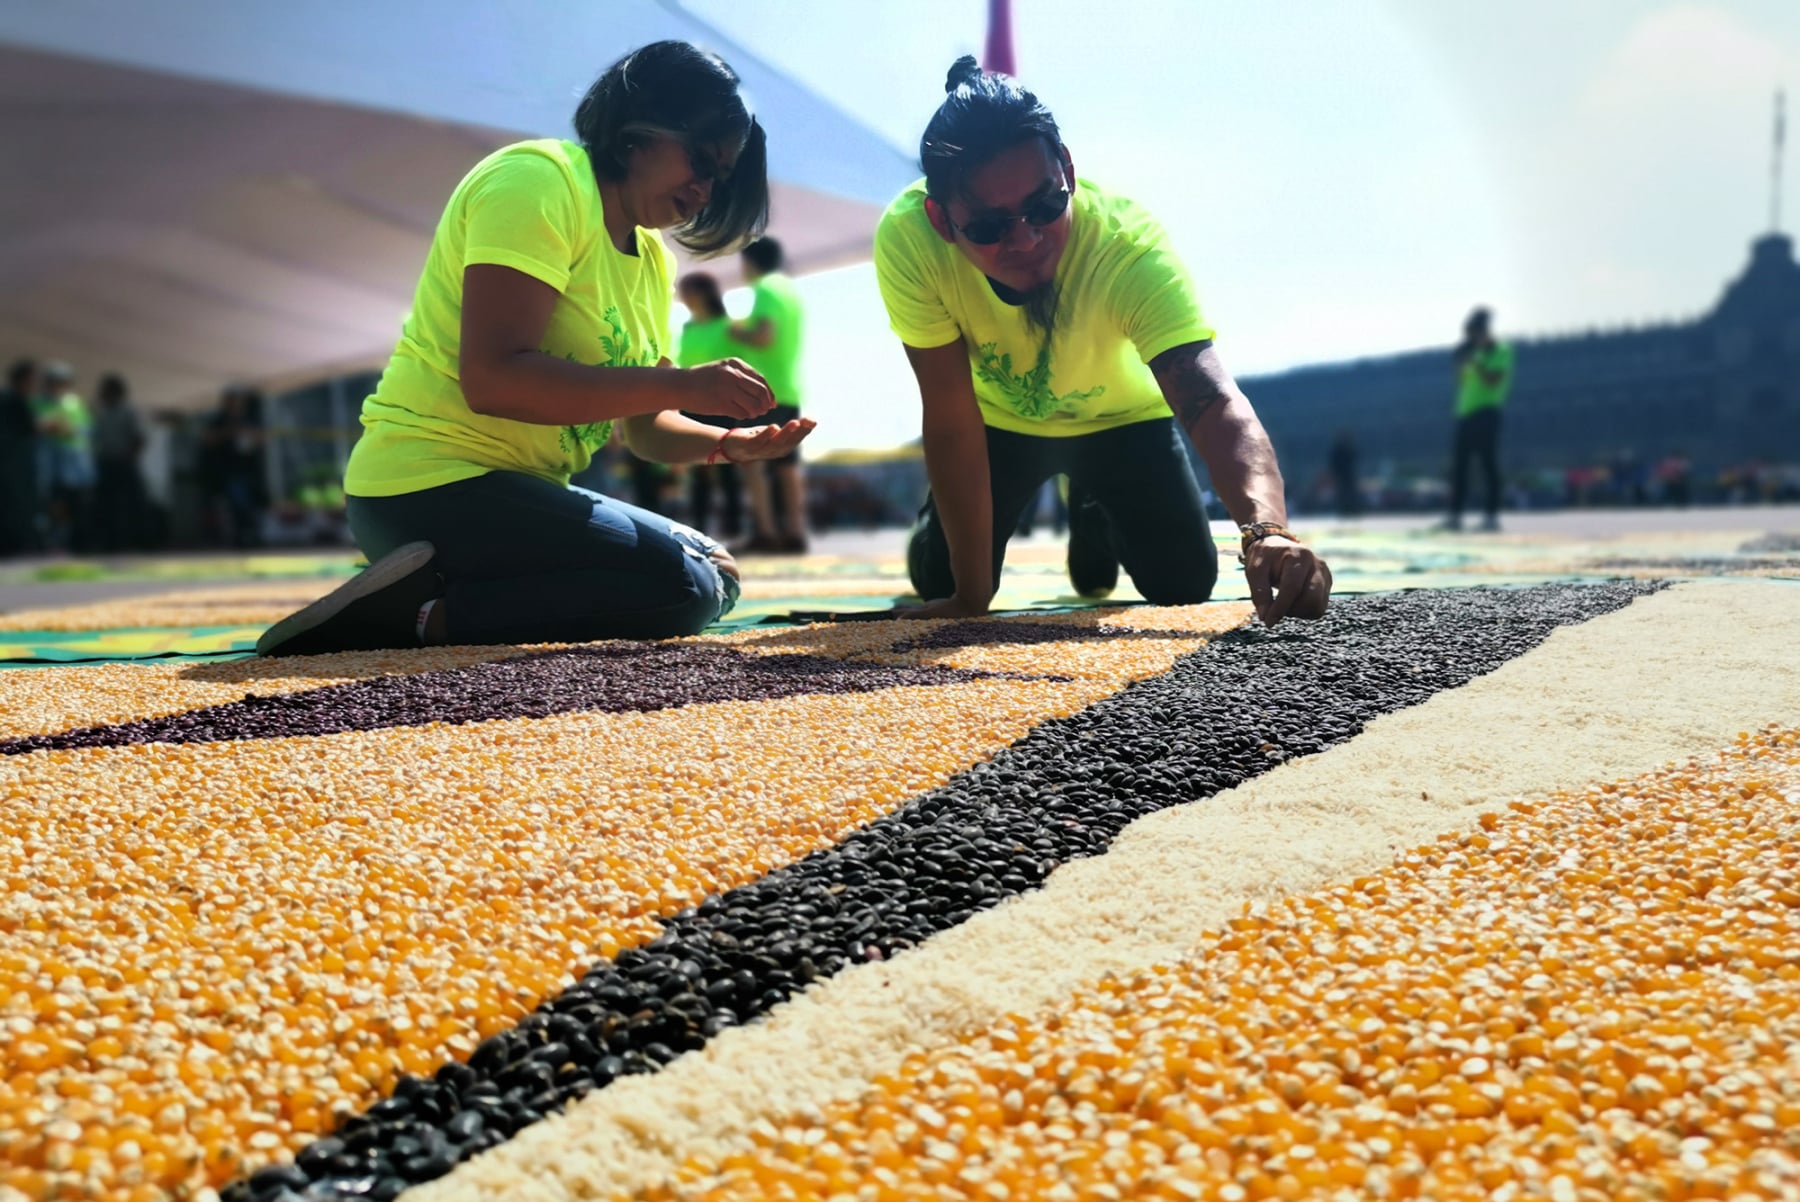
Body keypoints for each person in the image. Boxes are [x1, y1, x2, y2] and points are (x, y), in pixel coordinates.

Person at [257, 41, 811, 657]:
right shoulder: (539, 181)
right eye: (701, 161)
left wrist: (728, 444)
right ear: (637, 131)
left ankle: (436, 594)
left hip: (515, 494)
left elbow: (646, 431)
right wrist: (684, 385)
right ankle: (408, 617)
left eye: (721, 176)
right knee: (679, 584)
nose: (705, 189)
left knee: (716, 568)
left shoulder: (651, 260)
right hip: (426, 487)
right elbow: (495, 380)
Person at [874, 58, 1330, 624]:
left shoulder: (1126, 247)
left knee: (1182, 583)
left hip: (1122, 421)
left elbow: (1210, 399)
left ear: (1067, 168)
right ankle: (948, 529)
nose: (1027, 240)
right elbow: (948, 415)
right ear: (941, 220)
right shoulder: (910, 241)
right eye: (989, 227)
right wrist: (970, 596)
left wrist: (1268, 531)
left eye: (1044, 206)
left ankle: (1092, 507)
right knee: (940, 579)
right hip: (998, 423)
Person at [729, 237, 809, 552]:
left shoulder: (765, 289)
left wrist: (735, 331)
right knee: (788, 463)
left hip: (764, 388)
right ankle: (795, 531)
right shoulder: (790, 292)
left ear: (751, 263)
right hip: (789, 386)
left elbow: (763, 337)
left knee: (754, 461)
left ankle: (765, 531)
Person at [676, 272, 746, 538]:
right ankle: (698, 527)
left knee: (727, 465)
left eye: (688, 291)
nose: (684, 298)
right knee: (698, 468)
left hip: (723, 404)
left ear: (704, 293)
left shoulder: (730, 327)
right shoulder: (687, 328)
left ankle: (734, 527)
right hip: (691, 403)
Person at [1444, 307, 1513, 532]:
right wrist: (1462, 363)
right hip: (1466, 416)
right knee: (1459, 467)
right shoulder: (1474, 354)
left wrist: (1477, 363)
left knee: (1487, 464)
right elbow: (1461, 382)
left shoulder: (1500, 350)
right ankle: (1455, 516)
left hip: (1488, 413)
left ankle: (1491, 516)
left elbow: (1493, 380)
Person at [33, 362, 95, 551]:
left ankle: (75, 545)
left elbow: (80, 430)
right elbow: (43, 426)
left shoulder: (74, 404)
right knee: (53, 507)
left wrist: (60, 427)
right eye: (53, 382)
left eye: (62, 382)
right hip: (51, 469)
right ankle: (54, 543)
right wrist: (59, 427)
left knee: (77, 509)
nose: (57, 386)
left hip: (77, 469)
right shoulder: (40, 402)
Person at [201, 386, 270, 547]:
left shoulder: (249, 421)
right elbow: (208, 440)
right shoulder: (219, 421)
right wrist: (228, 432)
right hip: (228, 470)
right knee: (236, 506)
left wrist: (251, 435)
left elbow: (262, 440)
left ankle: (251, 536)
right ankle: (239, 538)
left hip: (249, 469)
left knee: (251, 506)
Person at [90, 372, 149, 550]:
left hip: (124, 463)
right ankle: (110, 541)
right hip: (106, 463)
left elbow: (140, 438)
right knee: (106, 505)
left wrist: (129, 457)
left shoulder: (128, 411)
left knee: (133, 503)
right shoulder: (102, 413)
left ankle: (140, 540)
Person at [0, 359, 39, 556]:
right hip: (12, 463)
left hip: (12, 462)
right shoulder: (14, 400)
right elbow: (30, 428)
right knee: (16, 505)